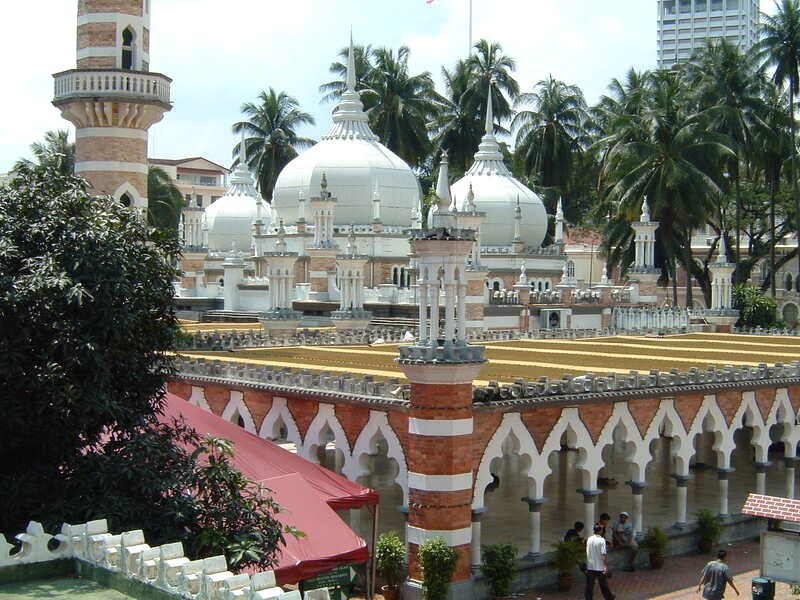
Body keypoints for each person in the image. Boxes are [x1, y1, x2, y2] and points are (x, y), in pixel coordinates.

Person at [585, 524, 615, 600]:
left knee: (589, 585)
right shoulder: (601, 540)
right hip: (599, 566)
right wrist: (605, 566)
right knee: (603, 584)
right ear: (601, 531)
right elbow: (603, 554)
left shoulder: (589, 539)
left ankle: (588, 598)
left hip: (590, 566)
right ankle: (609, 597)